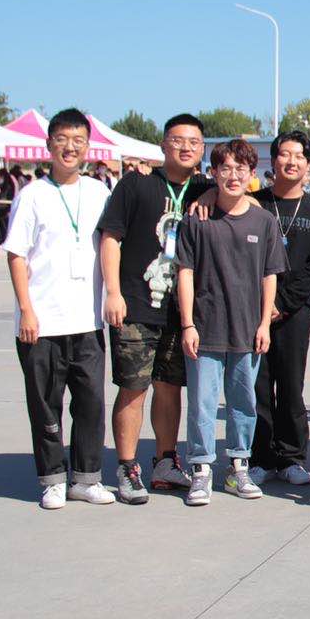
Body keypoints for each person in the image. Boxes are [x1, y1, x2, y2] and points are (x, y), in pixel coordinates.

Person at [99, 114, 212, 501]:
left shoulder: (205, 188)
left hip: (181, 313)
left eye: (194, 142)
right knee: (134, 388)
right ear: (163, 145)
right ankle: (127, 467)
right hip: (136, 305)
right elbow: (111, 237)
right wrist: (113, 292)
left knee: (170, 388)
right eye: (177, 140)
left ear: (202, 149)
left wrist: (211, 194)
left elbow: (244, 200)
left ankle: (165, 460)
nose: (186, 147)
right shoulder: (137, 184)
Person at [6, 109, 114, 508]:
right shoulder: (32, 194)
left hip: (87, 321)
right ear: (49, 144)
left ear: (88, 146)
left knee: (91, 404)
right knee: (45, 405)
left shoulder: (99, 192)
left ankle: (85, 478)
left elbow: (112, 245)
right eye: (63, 140)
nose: (71, 148)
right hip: (43, 323)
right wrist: (26, 310)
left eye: (78, 141)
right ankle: (52, 478)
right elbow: (16, 255)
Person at [174, 138, 288, 505]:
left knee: (243, 403)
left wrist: (264, 323)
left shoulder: (264, 221)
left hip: (247, 329)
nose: (233, 176)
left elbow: (270, 275)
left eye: (241, 169)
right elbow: (185, 273)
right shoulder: (197, 219)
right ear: (213, 173)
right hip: (205, 328)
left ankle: (239, 467)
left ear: (252, 174)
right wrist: (188, 324)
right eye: (225, 168)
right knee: (202, 403)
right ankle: (201, 468)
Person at [250, 131, 310, 486]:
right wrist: (263, 306)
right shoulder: (254, 202)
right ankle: (261, 458)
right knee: (257, 386)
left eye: (299, 156)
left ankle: (292, 457)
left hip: (294, 311)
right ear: (273, 161)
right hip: (253, 310)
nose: (291, 161)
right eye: (284, 154)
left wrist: (282, 304)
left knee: (290, 385)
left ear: (308, 164)